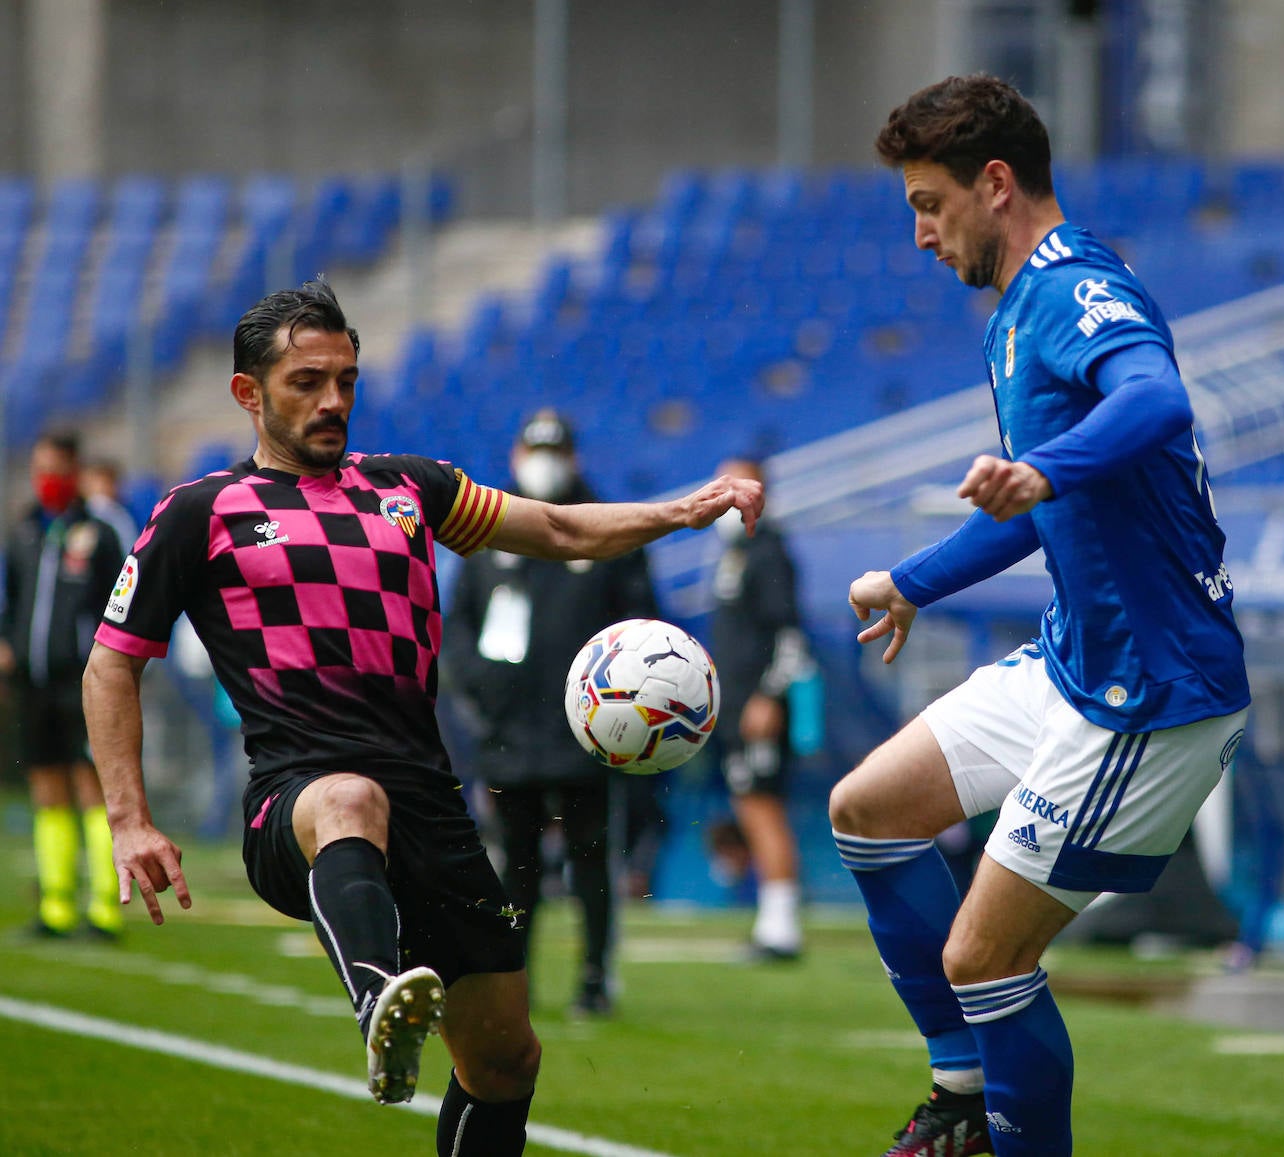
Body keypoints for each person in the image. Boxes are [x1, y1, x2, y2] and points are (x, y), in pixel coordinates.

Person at [81, 280, 763, 1157]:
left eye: (347, 379)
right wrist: (129, 818)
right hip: (296, 796)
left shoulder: (409, 490)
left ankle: (402, 1016)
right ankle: (379, 1002)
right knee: (350, 800)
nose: (333, 401)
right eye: (307, 381)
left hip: (431, 799)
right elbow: (112, 661)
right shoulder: (198, 513)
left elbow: (557, 528)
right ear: (248, 394)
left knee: (506, 1059)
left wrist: (680, 510)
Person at [828, 76, 1250, 1157]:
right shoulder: (1013, 310)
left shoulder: (1069, 287)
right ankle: (964, 1096)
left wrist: (1045, 472)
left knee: (984, 957)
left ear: (997, 184)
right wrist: (911, 579)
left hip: (1151, 694)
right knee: (869, 808)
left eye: (931, 203)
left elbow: (1157, 401)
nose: (922, 234)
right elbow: (1033, 507)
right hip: (1078, 661)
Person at [444, 408, 660, 1017]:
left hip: (589, 729)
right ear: (516, 456)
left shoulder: (606, 527)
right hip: (509, 730)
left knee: (593, 855)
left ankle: (595, 977)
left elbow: (642, 625)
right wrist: (482, 687)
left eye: (556, 450)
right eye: (536, 450)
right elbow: (459, 622)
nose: (545, 462)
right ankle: (515, 979)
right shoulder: (492, 528)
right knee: (514, 862)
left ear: (575, 457)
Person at [0, 430, 126, 940]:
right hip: (32, 681)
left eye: (54, 469)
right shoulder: (26, 530)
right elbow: (11, 602)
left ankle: (104, 907)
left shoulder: (98, 533)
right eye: (39, 468)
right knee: (46, 786)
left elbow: (119, 605)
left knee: (89, 784)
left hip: (80, 681)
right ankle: (54, 906)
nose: (45, 479)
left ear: (74, 473)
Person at [708, 456, 813, 960]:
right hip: (735, 709)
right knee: (751, 808)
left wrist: (769, 697)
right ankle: (773, 923)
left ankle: (781, 929)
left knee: (763, 809)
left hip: (759, 709)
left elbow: (791, 636)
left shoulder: (770, 552)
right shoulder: (736, 552)